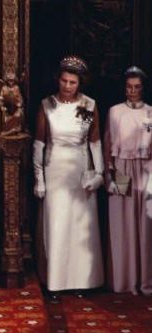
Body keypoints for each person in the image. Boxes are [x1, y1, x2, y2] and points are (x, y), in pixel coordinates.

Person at [33, 56, 104, 295]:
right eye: (64, 81)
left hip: (80, 169)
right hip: (55, 169)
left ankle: (82, 282)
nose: (67, 86)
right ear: (58, 79)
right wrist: (39, 179)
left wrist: (99, 173)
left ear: (79, 83)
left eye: (72, 82)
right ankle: (55, 282)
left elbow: (94, 142)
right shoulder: (47, 105)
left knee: (80, 226)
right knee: (57, 224)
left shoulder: (88, 105)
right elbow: (39, 144)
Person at [104, 66, 152, 295]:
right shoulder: (114, 112)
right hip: (122, 168)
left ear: (143, 88)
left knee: (145, 225)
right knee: (123, 223)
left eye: (137, 87)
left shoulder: (151, 113)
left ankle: (145, 282)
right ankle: (125, 281)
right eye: (129, 87)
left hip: (145, 168)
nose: (132, 91)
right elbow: (107, 144)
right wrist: (108, 175)